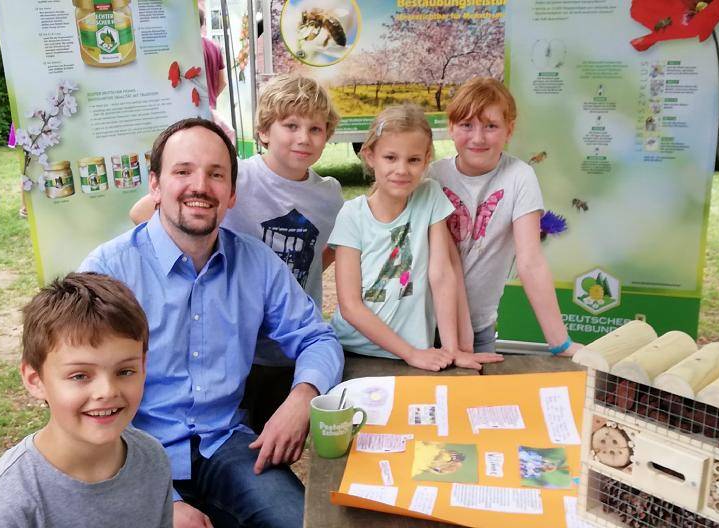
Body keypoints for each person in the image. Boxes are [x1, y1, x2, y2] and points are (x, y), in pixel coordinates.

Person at [82, 117, 343, 528]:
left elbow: (317, 337)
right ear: (155, 185)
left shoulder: (256, 263)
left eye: (216, 174)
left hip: (225, 443)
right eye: (183, 171)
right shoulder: (109, 270)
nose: (200, 186)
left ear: (232, 194)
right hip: (131, 455)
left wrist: (300, 400)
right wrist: (159, 502)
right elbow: (81, 400)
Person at [129, 73, 343, 431]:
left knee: (274, 435)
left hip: (286, 344)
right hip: (231, 344)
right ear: (263, 131)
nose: (303, 137)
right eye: (290, 125)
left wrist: (289, 284)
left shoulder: (330, 195)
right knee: (227, 428)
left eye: (316, 129)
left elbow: (330, 249)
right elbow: (142, 212)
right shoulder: (233, 176)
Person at [0, 272, 172, 527]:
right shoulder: (4, 505)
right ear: (34, 379)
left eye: (125, 371)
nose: (107, 391)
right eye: (80, 375)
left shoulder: (153, 459)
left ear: (144, 366)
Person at [329, 104, 503, 371]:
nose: (402, 170)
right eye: (390, 158)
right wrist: (410, 353)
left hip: (415, 353)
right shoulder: (352, 215)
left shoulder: (430, 195)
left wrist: (452, 348)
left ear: (426, 159)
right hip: (354, 349)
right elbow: (350, 305)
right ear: (370, 156)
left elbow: (443, 274)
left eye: (413, 160)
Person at [428, 77, 583, 357]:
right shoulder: (432, 176)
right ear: (450, 127)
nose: (478, 137)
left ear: (509, 130)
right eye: (466, 125)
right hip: (421, 327)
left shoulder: (519, 177)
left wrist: (560, 343)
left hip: (478, 329)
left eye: (491, 126)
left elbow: (531, 261)